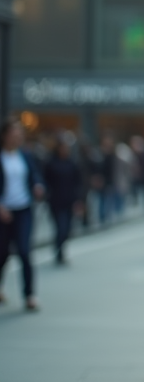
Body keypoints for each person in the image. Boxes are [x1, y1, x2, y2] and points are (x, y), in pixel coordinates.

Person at [0, 118, 45, 311]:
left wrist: (37, 185)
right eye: (14, 133)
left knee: (25, 252)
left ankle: (29, 294)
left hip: (23, 209)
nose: (17, 136)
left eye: (20, 133)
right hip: (3, 210)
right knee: (2, 254)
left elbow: (34, 174)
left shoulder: (25, 155)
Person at [42, 132, 86, 265]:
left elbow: (78, 182)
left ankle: (61, 247)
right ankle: (59, 251)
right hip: (55, 201)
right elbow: (45, 181)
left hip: (70, 200)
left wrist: (79, 201)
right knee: (60, 227)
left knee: (67, 228)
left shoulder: (72, 163)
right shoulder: (51, 163)